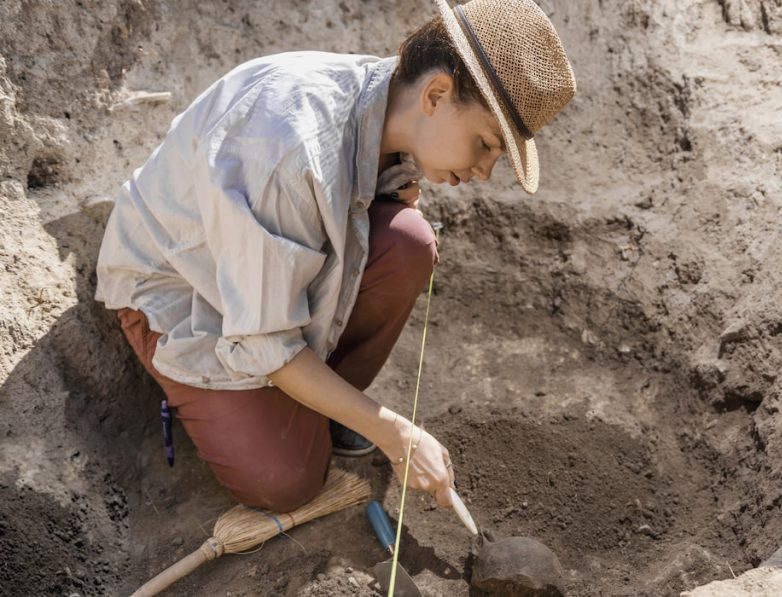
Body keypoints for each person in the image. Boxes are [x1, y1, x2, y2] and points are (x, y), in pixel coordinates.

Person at [95, 0, 575, 513]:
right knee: (285, 483)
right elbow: (266, 341)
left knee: (408, 242)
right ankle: (282, 407)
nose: (483, 171)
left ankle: (314, 403)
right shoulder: (289, 148)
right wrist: (395, 433)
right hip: (183, 291)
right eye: (485, 144)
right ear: (436, 93)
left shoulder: (386, 107)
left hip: (263, 284)